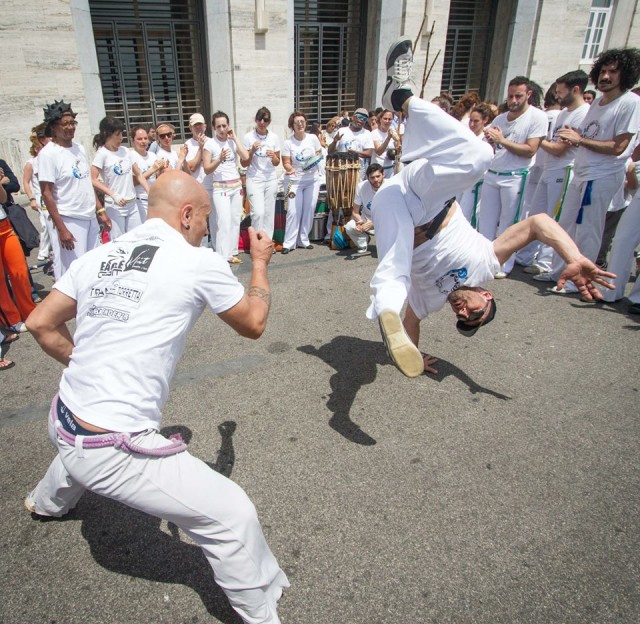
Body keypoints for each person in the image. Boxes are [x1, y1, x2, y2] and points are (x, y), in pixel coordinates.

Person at [24, 170, 288, 623]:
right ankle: (261, 615)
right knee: (232, 515)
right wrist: (260, 262)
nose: (207, 228)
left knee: (82, 432)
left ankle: (45, 502)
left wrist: (87, 366)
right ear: (187, 215)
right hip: (107, 448)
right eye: (205, 219)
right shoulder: (197, 260)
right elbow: (254, 323)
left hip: (62, 415)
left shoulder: (98, 255)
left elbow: (39, 323)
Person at [371, 38, 615, 378]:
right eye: (473, 314)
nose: (462, 313)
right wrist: (574, 257)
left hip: (392, 212)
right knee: (480, 155)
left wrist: (414, 353)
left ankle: (385, 309)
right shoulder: (487, 262)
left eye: (461, 320)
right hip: (427, 199)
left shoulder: (432, 299)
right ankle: (400, 96)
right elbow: (538, 224)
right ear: (486, 295)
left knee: (395, 276)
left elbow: (412, 320)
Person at [536, 48, 640, 293]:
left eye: (613, 72)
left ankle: (579, 281)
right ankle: (558, 273)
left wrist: (579, 140)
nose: (606, 76)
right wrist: (577, 140)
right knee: (565, 224)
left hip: (601, 175)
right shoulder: (600, 102)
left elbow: (619, 146)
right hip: (581, 173)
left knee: (588, 230)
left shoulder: (630, 103)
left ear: (625, 74)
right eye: (603, 71)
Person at [519, 70, 591, 276]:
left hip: (564, 170)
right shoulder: (564, 113)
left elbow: (560, 149)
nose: (557, 96)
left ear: (575, 90)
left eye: (560, 92)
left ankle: (546, 263)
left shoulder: (583, 113)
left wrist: (536, 139)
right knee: (536, 214)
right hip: (550, 169)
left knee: (553, 218)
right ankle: (526, 256)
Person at [477, 76, 549, 278]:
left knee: (509, 223)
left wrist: (502, 139)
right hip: (493, 173)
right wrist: (491, 141)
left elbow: (530, 149)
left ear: (528, 95)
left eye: (518, 96)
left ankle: (504, 264)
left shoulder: (537, 117)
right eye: (510, 96)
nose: (514, 100)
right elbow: (493, 145)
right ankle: (484, 261)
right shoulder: (500, 118)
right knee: (486, 222)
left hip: (515, 175)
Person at [38, 100, 109, 279]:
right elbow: (46, 193)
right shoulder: (48, 154)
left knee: (93, 267)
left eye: (72, 123)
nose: (70, 127)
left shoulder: (80, 149)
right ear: (54, 127)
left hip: (90, 218)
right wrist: (62, 229)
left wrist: (99, 210)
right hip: (70, 219)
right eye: (65, 124)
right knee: (74, 273)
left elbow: (86, 183)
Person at [203, 111, 250, 264]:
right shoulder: (210, 143)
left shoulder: (232, 141)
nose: (222, 129)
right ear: (213, 128)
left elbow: (245, 157)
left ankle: (231, 252)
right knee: (223, 221)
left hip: (236, 186)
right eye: (219, 126)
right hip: (220, 188)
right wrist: (219, 159)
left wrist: (235, 138)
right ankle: (222, 256)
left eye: (224, 125)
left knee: (235, 219)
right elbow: (207, 168)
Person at [91, 116, 149, 239]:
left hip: (132, 204)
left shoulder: (126, 151)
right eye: (117, 135)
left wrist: (149, 191)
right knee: (119, 241)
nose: (120, 138)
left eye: (121, 134)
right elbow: (93, 179)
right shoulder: (102, 154)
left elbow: (138, 174)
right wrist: (113, 194)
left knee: (137, 238)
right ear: (107, 134)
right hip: (115, 206)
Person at [280, 111, 322, 254]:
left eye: (302, 122)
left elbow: (319, 154)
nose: (300, 125)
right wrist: (290, 169)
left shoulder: (313, 138)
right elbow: (285, 162)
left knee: (309, 208)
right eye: (297, 122)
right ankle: (289, 243)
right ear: (292, 125)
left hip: (312, 179)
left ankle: (303, 240)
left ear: (306, 123)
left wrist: (313, 162)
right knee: (293, 211)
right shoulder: (288, 143)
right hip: (294, 180)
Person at [0, 167, 35, 334]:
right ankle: (11, 319)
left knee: (20, 271)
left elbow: (4, 196)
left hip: (5, 225)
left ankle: (29, 311)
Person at [242, 107, 281, 240]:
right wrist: (252, 151)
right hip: (254, 178)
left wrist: (273, 157)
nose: (262, 122)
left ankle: (267, 241)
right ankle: (256, 242)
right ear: (256, 120)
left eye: (266, 119)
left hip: (270, 178)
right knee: (258, 213)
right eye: (260, 119)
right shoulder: (248, 137)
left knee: (269, 213)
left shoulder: (274, 137)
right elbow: (243, 163)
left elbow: (277, 162)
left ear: (269, 121)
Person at [457, 102, 495, 224]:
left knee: (466, 215)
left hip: (476, 183)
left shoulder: (487, 139)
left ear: (485, 120)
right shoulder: (467, 136)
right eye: (470, 121)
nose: (472, 124)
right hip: (462, 181)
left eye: (476, 121)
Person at [23, 123, 52, 263]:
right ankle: (43, 251)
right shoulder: (31, 163)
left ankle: (49, 252)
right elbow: (25, 182)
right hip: (41, 197)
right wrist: (32, 198)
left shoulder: (49, 158)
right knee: (47, 224)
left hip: (53, 196)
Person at [344, 163, 386, 253]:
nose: (376, 180)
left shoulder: (390, 186)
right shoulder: (361, 187)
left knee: (384, 251)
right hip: (367, 218)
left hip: (386, 221)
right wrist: (360, 222)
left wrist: (374, 223)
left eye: (378, 176)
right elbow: (355, 212)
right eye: (372, 177)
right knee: (349, 227)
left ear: (383, 174)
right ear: (367, 177)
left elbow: (392, 214)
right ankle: (363, 242)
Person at [128, 125, 164, 222]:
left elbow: (157, 178)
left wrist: (161, 169)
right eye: (139, 139)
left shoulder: (152, 155)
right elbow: (134, 181)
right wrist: (152, 169)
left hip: (154, 200)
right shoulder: (130, 156)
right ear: (133, 140)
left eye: (145, 138)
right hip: (140, 201)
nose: (143, 141)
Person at [328, 107, 374, 179]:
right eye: (360, 117)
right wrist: (335, 142)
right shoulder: (342, 131)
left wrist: (354, 153)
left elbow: (369, 153)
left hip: (358, 172)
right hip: (340, 170)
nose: (362, 120)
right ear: (353, 117)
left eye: (365, 119)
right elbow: (330, 151)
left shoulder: (367, 133)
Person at [370, 109, 401, 178]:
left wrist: (398, 143)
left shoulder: (394, 132)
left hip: (390, 169)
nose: (387, 121)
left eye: (390, 119)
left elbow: (398, 150)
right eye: (385, 119)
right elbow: (379, 152)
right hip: (378, 170)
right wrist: (388, 138)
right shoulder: (374, 134)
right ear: (380, 119)